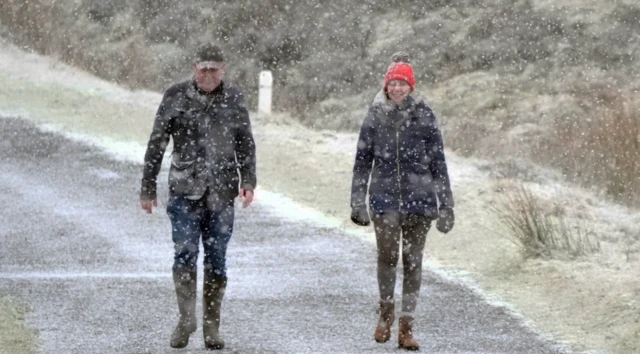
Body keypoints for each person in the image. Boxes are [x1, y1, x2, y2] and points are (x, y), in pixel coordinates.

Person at [140, 43, 256, 350]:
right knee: (185, 253)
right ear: (194, 68)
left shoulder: (234, 98)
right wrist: (147, 187)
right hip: (183, 191)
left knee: (217, 261)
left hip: (222, 193)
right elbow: (157, 143)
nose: (207, 74)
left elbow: (245, 143)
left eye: (213, 69)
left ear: (223, 69)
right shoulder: (175, 95)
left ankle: (211, 326)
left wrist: (249, 181)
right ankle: (186, 318)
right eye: (203, 68)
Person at [350, 54, 455, 351]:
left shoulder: (425, 115)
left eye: (402, 84)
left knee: (413, 262)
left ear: (411, 86)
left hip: (419, 201)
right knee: (387, 257)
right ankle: (385, 314)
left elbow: (438, 162)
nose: (397, 89)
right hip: (384, 199)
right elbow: (362, 162)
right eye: (393, 83)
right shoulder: (374, 116)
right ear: (386, 85)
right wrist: (357, 201)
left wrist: (447, 205)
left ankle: (406, 327)